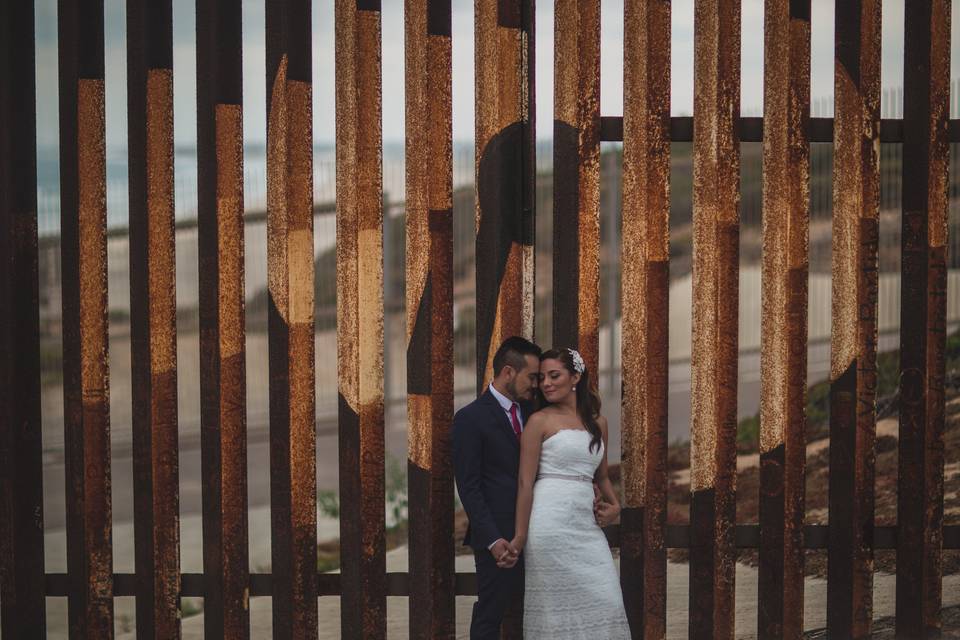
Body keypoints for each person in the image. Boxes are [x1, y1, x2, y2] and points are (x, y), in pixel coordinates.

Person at [509, 347, 630, 639]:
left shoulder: (598, 422)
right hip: (549, 523)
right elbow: (525, 483)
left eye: (554, 376)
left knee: (608, 601)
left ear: (575, 377)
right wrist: (521, 537)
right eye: (541, 378)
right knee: (556, 610)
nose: (546, 383)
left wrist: (615, 506)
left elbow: (600, 475)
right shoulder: (539, 421)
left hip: (585, 528)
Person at [452, 336, 543, 639]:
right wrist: (492, 540)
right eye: (532, 376)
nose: (536, 384)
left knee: (538, 609)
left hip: (542, 529)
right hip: (498, 538)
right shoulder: (470, 419)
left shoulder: (535, 412)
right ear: (508, 372)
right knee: (491, 613)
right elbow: (469, 486)